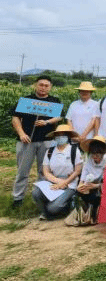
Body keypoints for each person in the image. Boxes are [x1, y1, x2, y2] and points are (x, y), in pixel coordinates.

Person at [11, 74, 63, 208]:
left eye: (46, 86)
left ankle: (41, 196)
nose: (43, 88)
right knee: (22, 171)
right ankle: (18, 199)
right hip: (26, 141)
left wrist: (47, 122)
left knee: (44, 171)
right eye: (41, 85)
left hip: (47, 141)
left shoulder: (54, 101)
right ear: (35, 85)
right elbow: (15, 118)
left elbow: (59, 117)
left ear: (50, 87)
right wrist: (21, 134)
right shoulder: (26, 100)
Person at [32, 124, 83, 220]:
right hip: (53, 182)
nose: (60, 137)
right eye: (58, 135)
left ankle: (68, 204)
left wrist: (65, 182)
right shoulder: (50, 151)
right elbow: (46, 171)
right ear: (55, 137)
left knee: (53, 207)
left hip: (70, 184)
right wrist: (58, 181)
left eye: (63, 135)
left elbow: (77, 171)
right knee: (36, 193)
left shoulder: (74, 150)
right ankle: (45, 213)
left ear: (68, 136)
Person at [75, 136, 106, 225]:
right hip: (89, 188)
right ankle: (84, 216)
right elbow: (82, 179)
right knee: (79, 194)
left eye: (98, 154)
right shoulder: (88, 162)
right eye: (93, 153)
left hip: (102, 189)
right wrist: (80, 187)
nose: (95, 156)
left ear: (103, 153)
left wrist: (96, 186)